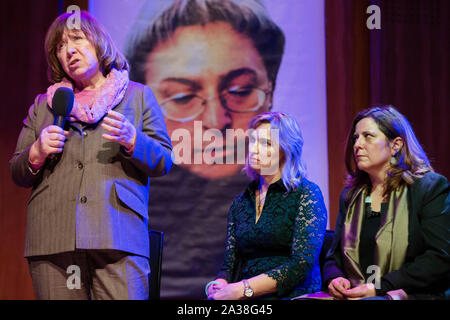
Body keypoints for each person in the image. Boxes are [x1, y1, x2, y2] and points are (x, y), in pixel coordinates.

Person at [125, 0, 285, 297]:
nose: (215, 121)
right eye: (183, 97)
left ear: (271, 90)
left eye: (240, 91)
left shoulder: (293, 194)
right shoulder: (128, 206)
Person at [9, 11, 172, 300]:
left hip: (118, 236)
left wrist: (133, 140)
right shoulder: (45, 106)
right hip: (53, 241)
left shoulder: (137, 96)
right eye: (59, 46)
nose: (69, 50)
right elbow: (18, 171)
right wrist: (36, 152)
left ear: (99, 42)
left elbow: (163, 161)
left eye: (77, 39)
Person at [322, 105, 449, 300]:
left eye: (368, 136)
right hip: (356, 295)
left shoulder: (429, 188)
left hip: (410, 295)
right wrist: (335, 278)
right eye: (356, 138)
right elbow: (334, 256)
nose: (357, 144)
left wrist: (380, 288)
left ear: (395, 145)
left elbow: (440, 258)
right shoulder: (351, 195)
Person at [205, 112, 327, 300]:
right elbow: (230, 266)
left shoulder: (306, 193)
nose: (254, 149)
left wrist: (244, 289)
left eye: (266, 144)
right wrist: (219, 284)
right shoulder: (240, 202)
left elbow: (301, 264)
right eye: (253, 141)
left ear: (285, 150)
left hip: (292, 295)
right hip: (246, 296)